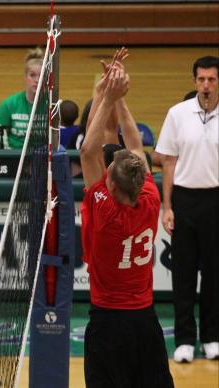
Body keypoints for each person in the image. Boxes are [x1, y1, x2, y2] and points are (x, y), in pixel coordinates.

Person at [79, 52, 174, 387]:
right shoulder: (149, 199)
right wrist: (120, 100)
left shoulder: (104, 211)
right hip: (144, 322)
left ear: (111, 184)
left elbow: (87, 150)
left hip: (107, 323)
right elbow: (135, 144)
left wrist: (108, 94)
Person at [155, 55, 219, 363]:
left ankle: (211, 336)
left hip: (215, 200)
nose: (206, 85)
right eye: (201, 79)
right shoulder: (177, 113)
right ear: (194, 81)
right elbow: (168, 161)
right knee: (182, 274)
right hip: (183, 199)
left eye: (212, 79)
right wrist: (167, 206)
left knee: (214, 274)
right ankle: (183, 339)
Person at [0, 47, 44, 150]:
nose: (37, 80)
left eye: (41, 75)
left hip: (41, 158)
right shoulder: (9, 104)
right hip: (13, 157)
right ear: (25, 77)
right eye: (32, 75)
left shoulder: (52, 105)